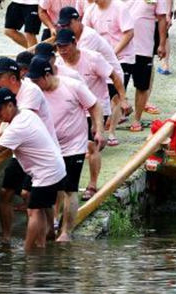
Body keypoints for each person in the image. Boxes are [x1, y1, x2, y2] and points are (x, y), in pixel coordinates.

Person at [0, 88, 65, 251]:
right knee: (41, 208)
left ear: (10, 105)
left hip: (47, 172)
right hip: (52, 167)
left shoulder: (17, 127)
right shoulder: (25, 114)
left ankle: (28, 251)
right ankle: (41, 245)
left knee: (34, 211)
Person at [0, 57, 57, 243]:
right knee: (5, 193)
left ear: (12, 78)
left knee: (30, 196)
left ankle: (45, 230)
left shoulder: (30, 92)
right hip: (20, 150)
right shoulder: (4, 94)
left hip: (39, 151)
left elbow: (9, 128)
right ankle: (7, 238)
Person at [27, 56, 104, 241]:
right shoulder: (35, 92)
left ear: (47, 75)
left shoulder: (72, 85)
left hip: (74, 146)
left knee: (70, 189)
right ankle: (52, 224)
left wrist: (99, 129)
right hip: (50, 147)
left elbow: (94, 105)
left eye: (37, 80)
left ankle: (65, 232)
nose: (35, 84)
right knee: (50, 189)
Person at [53, 28, 117, 200]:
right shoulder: (56, 64)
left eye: (65, 46)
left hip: (96, 106)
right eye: (59, 47)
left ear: (75, 43)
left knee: (92, 145)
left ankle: (92, 184)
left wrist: (123, 98)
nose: (62, 51)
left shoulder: (93, 58)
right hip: (75, 110)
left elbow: (114, 76)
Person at [56, 6, 128, 149]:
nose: (65, 28)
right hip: (91, 75)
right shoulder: (70, 40)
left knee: (104, 107)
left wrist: (124, 98)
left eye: (68, 24)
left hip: (107, 74)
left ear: (77, 20)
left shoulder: (88, 38)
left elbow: (80, 67)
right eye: (62, 25)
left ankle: (108, 133)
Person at [83, 0, 134, 146]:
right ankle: (99, 128)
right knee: (98, 94)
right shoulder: (90, 10)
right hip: (99, 59)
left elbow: (129, 32)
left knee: (116, 96)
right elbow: (86, 33)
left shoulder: (119, 7)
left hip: (122, 56)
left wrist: (113, 52)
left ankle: (112, 131)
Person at [126, 0, 167, 131]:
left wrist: (161, 43)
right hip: (123, 47)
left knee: (142, 86)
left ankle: (136, 119)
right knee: (118, 85)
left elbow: (162, 18)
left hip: (144, 47)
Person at [157, 0, 176, 74]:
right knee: (164, 35)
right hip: (163, 8)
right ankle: (165, 65)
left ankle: (165, 65)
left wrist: (168, 14)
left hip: (161, 9)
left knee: (164, 35)